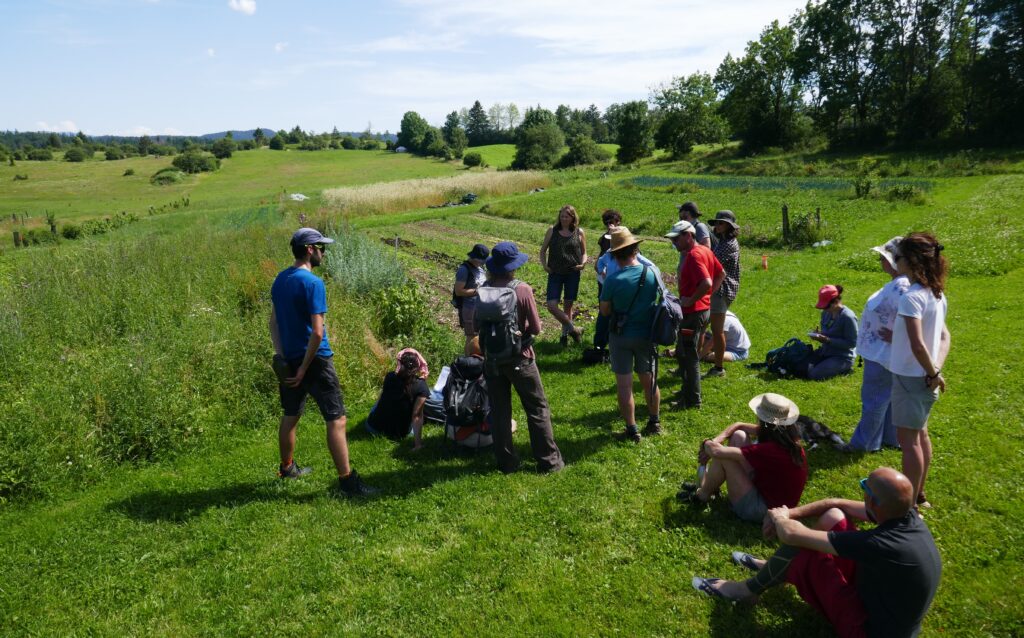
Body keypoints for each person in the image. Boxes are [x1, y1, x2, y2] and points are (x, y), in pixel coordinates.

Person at [692, 467, 942, 638]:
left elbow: (791, 535)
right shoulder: (905, 515)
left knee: (807, 555)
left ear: (874, 502)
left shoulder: (882, 543)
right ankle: (775, 566)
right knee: (834, 518)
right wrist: (789, 513)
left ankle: (746, 590)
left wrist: (779, 518)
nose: (862, 490)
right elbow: (836, 505)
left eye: (864, 486)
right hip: (880, 597)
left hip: (867, 630)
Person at [269, 227, 377, 496]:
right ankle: (347, 481)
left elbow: (273, 322)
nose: (323, 253)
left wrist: (281, 356)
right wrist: (305, 367)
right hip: (315, 361)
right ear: (309, 250)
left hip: (289, 360)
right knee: (336, 419)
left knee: (291, 415)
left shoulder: (280, 280)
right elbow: (317, 332)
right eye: (321, 248)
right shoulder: (313, 283)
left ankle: (287, 468)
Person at [476, 242, 565, 474]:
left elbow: (477, 326)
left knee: (499, 411)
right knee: (537, 408)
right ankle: (549, 462)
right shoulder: (521, 289)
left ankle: (506, 463)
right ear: (513, 266)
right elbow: (535, 328)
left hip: (492, 360)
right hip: (520, 358)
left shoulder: (484, 288)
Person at [678, 393, 808, 523]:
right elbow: (739, 425)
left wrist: (706, 443)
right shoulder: (784, 437)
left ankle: (702, 495)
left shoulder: (769, 450)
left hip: (765, 511)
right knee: (739, 436)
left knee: (726, 456)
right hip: (773, 501)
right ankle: (709, 487)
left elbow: (717, 452)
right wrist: (718, 439)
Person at [889, 233, 950, 508]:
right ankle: (919, 494)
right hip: (923, 377)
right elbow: (944, 338)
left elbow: (917, 344)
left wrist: (932, 372)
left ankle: (909, 505)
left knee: (909, 441)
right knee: (921, 434)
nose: (894, 261)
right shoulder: (937, 294)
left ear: (911, 261)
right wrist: (935, 370)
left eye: (897, 257)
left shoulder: (911, 297)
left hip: (910, 378)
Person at [845, 238, 911, 452]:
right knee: (888, 398)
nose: (880, 261)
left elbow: (913, 318)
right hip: (886, 352)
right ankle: (890, 438)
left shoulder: (902, 287)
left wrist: (900, 336)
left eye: (883, 257)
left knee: (874, 400)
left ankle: (863, 444)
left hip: (883, 354)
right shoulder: (902, 282)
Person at [599, 228, 662, 442]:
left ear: (615, 254)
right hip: (646, 334)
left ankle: (632, 429)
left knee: (624, 385)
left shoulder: (613, 280)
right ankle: (654, 421)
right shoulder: (651, 273)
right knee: (649, 380)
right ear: (635, 249)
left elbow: (605, 311)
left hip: (620, 336)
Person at [665, 220, 724, 410]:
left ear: (688, 235)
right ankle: (687, 390)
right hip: (702, 310)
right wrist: (707, 297)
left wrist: (692, 300)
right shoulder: (706, 251)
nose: (674, 242)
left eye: (676, 238)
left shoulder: (694, 255)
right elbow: (720, 274)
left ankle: (692, 400)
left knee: (689, 357)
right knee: (682, 352)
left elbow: (706, 282)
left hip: (693, 313)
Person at [594, 221, 657, 356]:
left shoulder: (636, 257)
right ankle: (599, 347)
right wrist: (602, 272)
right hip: (610, 289)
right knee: (604, 321)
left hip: (623, 291)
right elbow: (599, 263)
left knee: (618, 319)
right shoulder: (608, 254)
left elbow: (652, 266)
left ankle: (616, 348)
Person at [539, 205, 588, 346]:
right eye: (562, 216)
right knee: (551, 305)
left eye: (566, 216)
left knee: (568, 306)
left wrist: (583, 264)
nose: (563, 218)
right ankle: (574, 329)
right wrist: (544, 265)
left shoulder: (579, 232)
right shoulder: (552, 231)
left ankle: (564, 337)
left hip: (573, 273)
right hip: (555, 273)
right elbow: (543, 251)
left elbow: (584, 252)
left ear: (573, 217)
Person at [366, 351, 430, 450]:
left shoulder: (390, 376)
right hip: (399, 434)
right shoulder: (421, 386)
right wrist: (418, 445)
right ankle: (418, 444)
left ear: (400, 364)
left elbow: (382, 396)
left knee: (381, 398)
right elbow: (416, 416)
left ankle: (377, 415)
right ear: (418, 367)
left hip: (373, 428)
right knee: (420, 413)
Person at [705, 210, 741, 378]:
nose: (717, 226)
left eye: (721, 223)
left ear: (729, 226)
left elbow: (711, 263)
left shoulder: (728, 244)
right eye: (716, 223)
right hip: (718, 289)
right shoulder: (723, 241)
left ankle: (719, 368)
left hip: (722, 290)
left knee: (717, 330)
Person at [803, 284, 859, 381]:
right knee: (801, 365)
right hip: (826, 351)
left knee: (814, 374)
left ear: (835, 302)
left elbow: (852, 343)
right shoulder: (825, 313)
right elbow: (829, 334)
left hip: (842, 357)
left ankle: (845, 368)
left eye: (826, 306)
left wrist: (828, 340)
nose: (824, 309)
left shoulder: (848, 317)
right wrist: (818, 335)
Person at [592, 209, 622, 353]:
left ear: (618, 222)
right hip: (605, 280)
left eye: (613, 222)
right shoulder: (605, 238)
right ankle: (600, 344)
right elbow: (600, 259)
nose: (610, 225)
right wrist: (601, 270)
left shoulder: (623, 236)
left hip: (617, 279)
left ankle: (613, 342)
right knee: (604, 311)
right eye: (608, 223)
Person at [452, 243, 489, 355]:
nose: (483, 263)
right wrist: (477, 292)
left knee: (479, 336)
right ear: (475, 258)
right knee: (471, 337)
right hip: (469, 308)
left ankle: (477, 362)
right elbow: (459, 291)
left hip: (480, 308)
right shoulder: (464, 269)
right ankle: (468, 363)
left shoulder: (480, 269)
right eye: (481, 260)